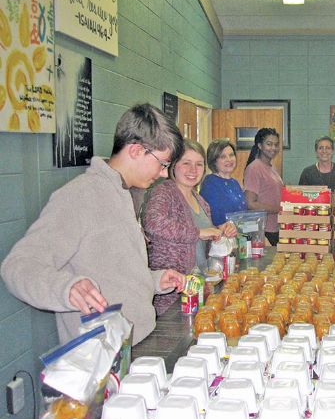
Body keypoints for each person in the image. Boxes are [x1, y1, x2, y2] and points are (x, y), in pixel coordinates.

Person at [0, 104, 186, 345]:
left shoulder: (123, 192)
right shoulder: (80, 196)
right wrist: (66, 288)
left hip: (138, 340)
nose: (163, 173)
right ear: (137, 150)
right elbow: (17, 265)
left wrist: (154, 280)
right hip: (102, 356)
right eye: (162, 164)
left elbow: (113, 269)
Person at [144, 139, 238, 315]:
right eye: (186, 163)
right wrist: (199, 232)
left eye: (199, 164)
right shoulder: (164, 192)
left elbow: (203, 244)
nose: (193, 170)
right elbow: (153, 223)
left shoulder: (200, 201)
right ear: (173, 165)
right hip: (172, 293)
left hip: (198, 288)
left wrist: (219, 231)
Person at [243, 128, 283, 246]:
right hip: (264, 231)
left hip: (274, 227)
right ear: (260, 145)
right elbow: (250, 203)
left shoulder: (270, 167)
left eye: (276, 145)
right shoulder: (254, 168)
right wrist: (279, 209)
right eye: (269, 144)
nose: (273, 148)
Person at [200, 138, 247, 226]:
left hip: (239, 235)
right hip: (221, 236)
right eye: (223, 156)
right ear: (214, 161)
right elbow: (213, 218)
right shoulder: (210, 183)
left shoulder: (234, 183)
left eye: (231, 155)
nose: (229, 159)